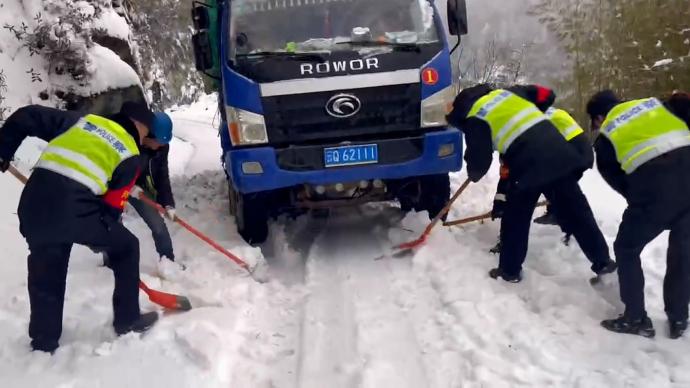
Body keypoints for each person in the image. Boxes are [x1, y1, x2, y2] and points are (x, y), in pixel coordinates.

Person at [0, 102, 161, 353]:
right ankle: (128, 319)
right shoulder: (130, 153)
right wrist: (102, 239)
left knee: (47, 267)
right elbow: (111, 210)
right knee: (128, 246)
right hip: (75, 212)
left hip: (33, 206)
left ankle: (44, 340)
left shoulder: (82, 122)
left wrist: (3, 149)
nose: (144, 138)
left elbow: (27, 115)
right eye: (145, 132)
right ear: (139, 126)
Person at [446, 83, 616, 283]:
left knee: (516, 218)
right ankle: (603, 262)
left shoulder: (475, 117)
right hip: (559, 151)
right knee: (577, 212)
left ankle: (509, 271)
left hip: (527, 165)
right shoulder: (509, 94)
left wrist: (474, 173)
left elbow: (480, 160)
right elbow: (547, 94)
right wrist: (534, 123)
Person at [587, 90, 690, 339]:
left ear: (600, 117)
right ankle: (678, 317)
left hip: (654, 191)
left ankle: (636, 318)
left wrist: (646, 204)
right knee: (683, 250)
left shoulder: (606, 135)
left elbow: (617, 180)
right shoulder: (657, 104)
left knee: (627, 248)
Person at [490, 103, 594, 252]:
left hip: (558, 160)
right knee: (563, 197)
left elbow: (508, 181)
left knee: (520, 203)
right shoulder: (539, 117)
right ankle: (561, 219)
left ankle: (508, 245)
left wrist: (500, 206)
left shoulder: (516, 132)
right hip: (575, 155)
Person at [102, 112, 180, 268]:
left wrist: (168, 203)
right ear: (147, 135)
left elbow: (162, 175)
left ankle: (168, 261)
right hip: (116, 184)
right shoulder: (126, 142)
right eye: (158, 142)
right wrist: (128, 185)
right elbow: (110, 169)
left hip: (140, 189)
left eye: (164, 143)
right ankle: (112, 263)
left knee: (157, 224)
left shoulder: (161, 148)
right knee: (112, 222)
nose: (161, 146)